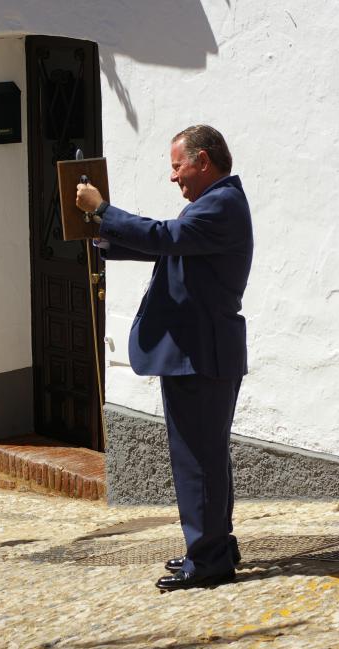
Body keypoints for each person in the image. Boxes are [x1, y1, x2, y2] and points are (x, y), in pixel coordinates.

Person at [76, 125, 253, 591]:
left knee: (198, 460)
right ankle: (214, 546)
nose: (174, 176)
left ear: (203, 161)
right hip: (200, 350)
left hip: (200, 353)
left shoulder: (220, 204)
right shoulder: (215, 204)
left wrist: (103, 211)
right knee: (206, 457)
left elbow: (166, 236)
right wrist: (102, 237)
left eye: (178, 166)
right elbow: (170, 248)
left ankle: (208, 558)